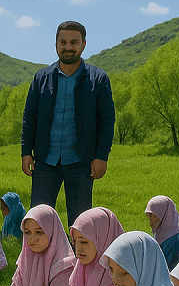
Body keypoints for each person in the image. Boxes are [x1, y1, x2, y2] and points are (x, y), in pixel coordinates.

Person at [21, 21, 115, 227]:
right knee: (39, 220)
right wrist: (26, 151)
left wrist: (101, 156)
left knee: (81, 223)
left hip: (81, 162)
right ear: (56, 44)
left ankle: (80, 260)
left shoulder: (98, 79)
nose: (68, 47)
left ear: (83, 45)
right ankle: (39, 260)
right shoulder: (41, 78)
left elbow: (107, 120)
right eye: (63, 42)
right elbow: (30, 116)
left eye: (74, 42)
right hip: (46, 160)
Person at [145, 195, 179, 271]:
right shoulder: (160, 233)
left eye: (154, 216)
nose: (151, 220)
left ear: (164, 214)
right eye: (148, 215)